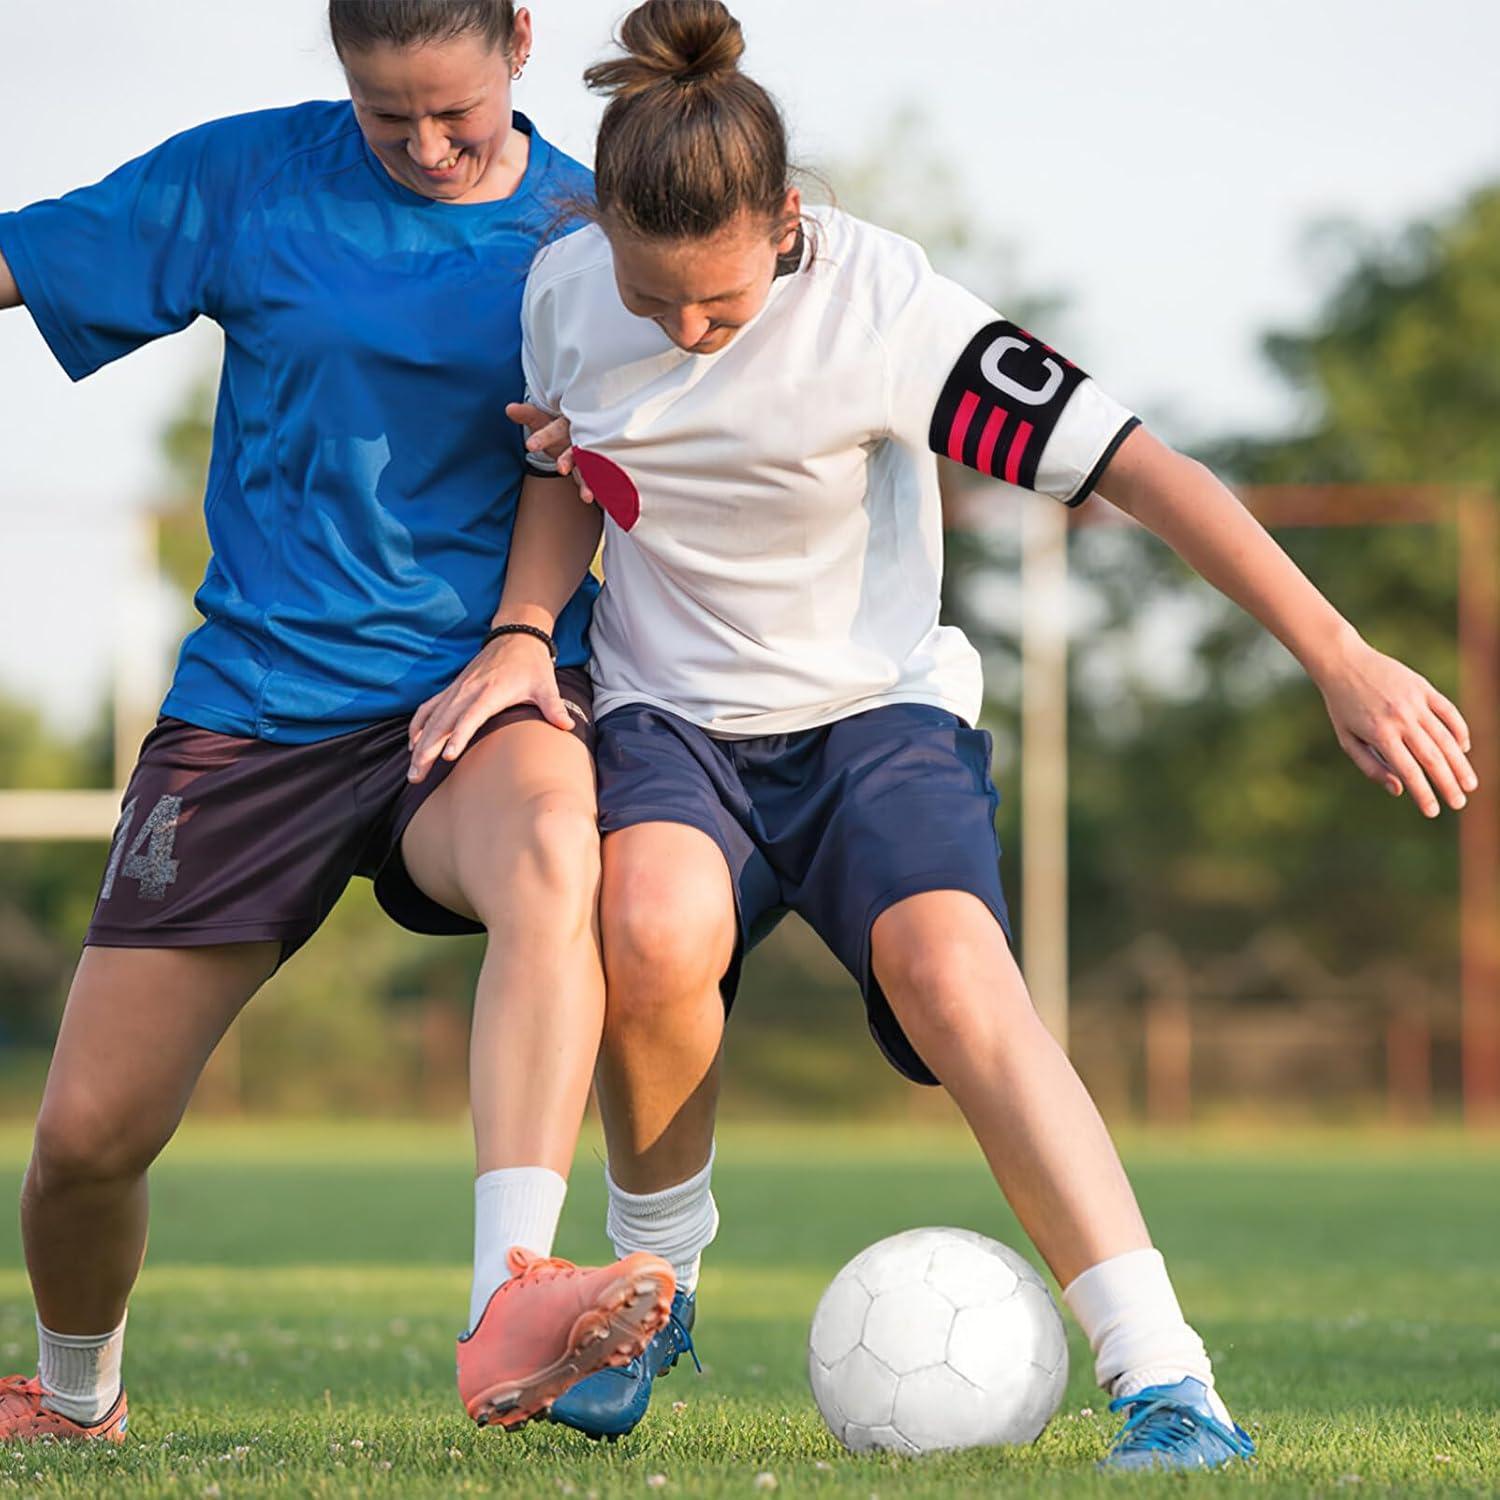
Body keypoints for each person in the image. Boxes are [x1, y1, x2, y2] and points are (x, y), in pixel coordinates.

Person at [410, 0, 1480, 1469]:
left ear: (787, 225)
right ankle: (654, 1290)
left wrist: (1338, 653)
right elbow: (567, 469)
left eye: (718, 304)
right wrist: (524, 632)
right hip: (672, 719)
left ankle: (1167, 1377)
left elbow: (1143, 470)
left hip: (875, 717)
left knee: (954, 975)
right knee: (648, 931)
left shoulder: (892, 314)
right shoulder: (566, 290)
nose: (686, 332)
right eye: (656, 303)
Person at [0, 0, 675, 1445]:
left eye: (457, 114)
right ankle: (74, 1396)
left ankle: (512, 1298)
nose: (426, 147)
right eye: (388, 117)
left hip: (478, 694)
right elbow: (24, 258)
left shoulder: (589, 236)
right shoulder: (249, 179)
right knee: (85, 1145)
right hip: (256, 712)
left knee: (555, 844)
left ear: (521, 44)